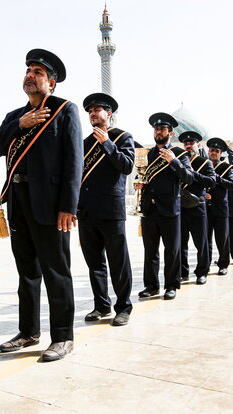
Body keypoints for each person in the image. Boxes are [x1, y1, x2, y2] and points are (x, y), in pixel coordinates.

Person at [0, 49, 82, 361]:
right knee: (26, 272)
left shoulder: (65, 110)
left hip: (51, 206)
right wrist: (21, 125)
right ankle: (28, 331)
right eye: (28, 70)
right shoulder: (15, 116)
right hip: (18, 201)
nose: (30, 75)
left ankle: (63, 337)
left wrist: (69, 205)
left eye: (38, 72)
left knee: (56, 271)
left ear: (51, 82)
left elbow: (73, 161)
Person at [77, 93, 134, 326]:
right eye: (89, 110)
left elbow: (127, 166)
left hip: (111, 210)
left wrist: (107, 144)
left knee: (118, 261)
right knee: (95, 262)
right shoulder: (84, 144)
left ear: (108, 114)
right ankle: (101, 305)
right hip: (87, 212)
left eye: (97, 110)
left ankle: (124, 307)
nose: (92, 113)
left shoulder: (122, 137)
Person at [137, 113, 193, 300]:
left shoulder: (180, 154)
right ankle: (151, 286)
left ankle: (171, 285)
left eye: (162, 129)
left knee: (172, 251)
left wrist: (173, 162)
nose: (158, 132)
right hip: (150, 210)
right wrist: (140, 183)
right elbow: (143, 176)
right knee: (150, 251)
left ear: (170, 132)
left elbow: (189, 177)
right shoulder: (148, 154)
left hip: (170, 209)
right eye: (156, 129)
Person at [178, 131, 216, 285]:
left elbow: (212, 181)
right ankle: (182, 271)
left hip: (197, 207)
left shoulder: (205, 163)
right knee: (180, 243)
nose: (188, 146)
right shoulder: (177, 161)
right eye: (186, 144)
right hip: (180, 207)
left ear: (198, 145)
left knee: (201, 242)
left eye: (191, 143)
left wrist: (193, 175)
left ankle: (202, 272)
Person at [205, 138, 233, 275]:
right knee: (206, 240)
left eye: (217, 151)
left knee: (222, 239)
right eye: (212, 150)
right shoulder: (203, 165)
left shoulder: (226, 168)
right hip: (205, 208)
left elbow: (231, 185)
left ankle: (223, 264)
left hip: (221, 209)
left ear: (220, 153)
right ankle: (205, 265)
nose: (214, 153)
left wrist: (216, 178)